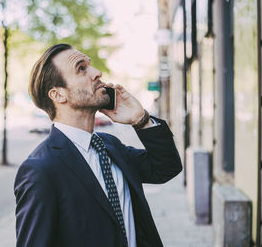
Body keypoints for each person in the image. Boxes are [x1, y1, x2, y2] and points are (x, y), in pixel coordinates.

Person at [14, 43, 182, 247]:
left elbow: (166, 168)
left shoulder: (109, 146)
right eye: (81, 68)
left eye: (90, 65)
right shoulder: (40, 169)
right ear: (58, 95)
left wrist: (141, 119)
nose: (97, 73)